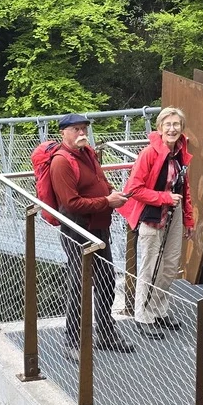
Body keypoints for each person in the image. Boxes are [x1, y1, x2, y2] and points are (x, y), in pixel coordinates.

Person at [50, 113, 134, 361]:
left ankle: (106, 333)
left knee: (107, 281)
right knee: (79, 284)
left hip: (99, 226)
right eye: (75, 129)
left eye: (84, 128)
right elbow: (71, 203)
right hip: (77, 229)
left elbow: (100, 181)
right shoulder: (61, 162)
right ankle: (72, 341)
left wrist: (111, 193)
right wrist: (106, 201)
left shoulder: (88, 153)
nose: (81, 133)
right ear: (63, 133)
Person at [117, 107, 195, 340]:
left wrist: (188, 219)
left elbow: (185, 188)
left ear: (181, 128)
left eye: (176, 124)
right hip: (152, 213)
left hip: (174, 211)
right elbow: (134, 189)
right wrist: (164, 198)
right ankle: (143, 316)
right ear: (159, 129)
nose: (172, 129)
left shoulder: (180, 152)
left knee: (170, 265)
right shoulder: (149, 153)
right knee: (150, 265)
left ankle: (159, 310)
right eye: (167, 125)